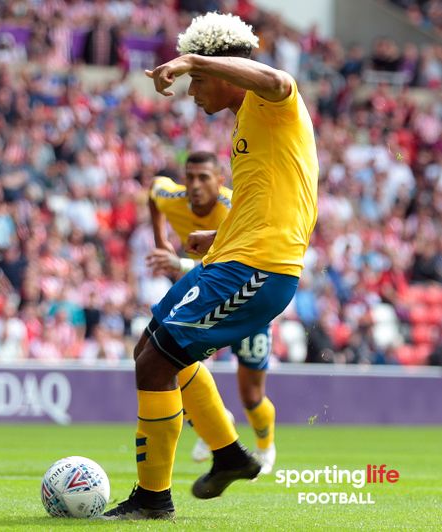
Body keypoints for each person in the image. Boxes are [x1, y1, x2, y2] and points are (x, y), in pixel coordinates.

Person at [104, 12, 317, 520]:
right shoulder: (246, 122)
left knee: (157, 362)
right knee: (149, 348)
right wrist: (217, 236)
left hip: (257, 269)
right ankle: (228, 454)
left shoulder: (272, 102)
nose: (192, 91)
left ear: (220, 69)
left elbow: (278, 79)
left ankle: (153, 500)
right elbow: (273, 201)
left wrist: (191, 59)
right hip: (229, 258)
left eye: (198, 80)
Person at [146, 151, 278, 474]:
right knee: (171, 361)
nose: (194, 185)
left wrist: (179, 263)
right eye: (190, 177)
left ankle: (265, 446)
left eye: (203, 178)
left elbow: (236, 260)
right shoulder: (172, 197)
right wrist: (161, 240)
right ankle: (216, 424)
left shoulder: (235, 209)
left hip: (246, 298)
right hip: (206, 295)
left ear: (220, 180)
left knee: (251, 395)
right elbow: (153, 192)